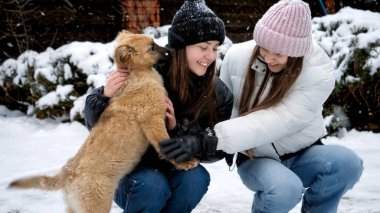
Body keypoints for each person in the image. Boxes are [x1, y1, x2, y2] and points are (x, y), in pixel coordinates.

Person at [159, 0, 364, 212]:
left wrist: (215, 138)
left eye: (278, 54)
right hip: (256, 157)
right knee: (286, 189)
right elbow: (217, 110)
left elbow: (279, 119)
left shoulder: (318, 72)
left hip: (303, 154)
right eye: (264, 49)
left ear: (296, 52)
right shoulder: (238, 56)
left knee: (347, 163)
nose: (268, 58)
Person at [83, 0, 233, 212]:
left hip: (173, 165)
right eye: (203, 47)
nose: (209, 57)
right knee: (152, 185)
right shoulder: (148, 71)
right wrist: (104, 97)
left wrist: (175, 129)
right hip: (129, 169)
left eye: (215, 48)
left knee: (195, 178)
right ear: (181, 47)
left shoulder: (218, 92)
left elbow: (216, 144)